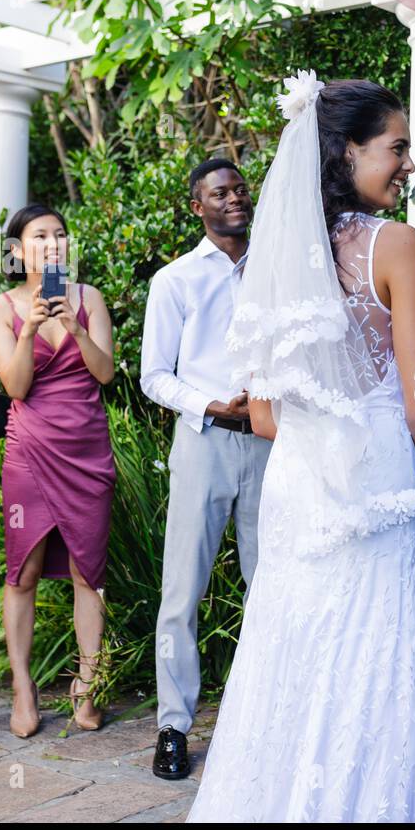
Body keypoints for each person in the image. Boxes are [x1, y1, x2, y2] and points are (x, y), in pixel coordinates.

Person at [186, 73, 415, 822]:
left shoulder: (274, 260)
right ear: (347, 150)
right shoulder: (396, 244)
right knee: (375, 653)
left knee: (290, 647)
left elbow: (266, 415)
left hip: (298, 481)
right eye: (396, 148)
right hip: (375, 479)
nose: (406, 164)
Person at [142, 158, 272, 780]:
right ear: (198, 206)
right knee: (180, 592)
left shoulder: (277, 269)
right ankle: (173, 726)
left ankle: (267, 721)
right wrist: (211, 406)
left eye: (240, 188)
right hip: (204, 441)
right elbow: (153, 375)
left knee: (270, 585)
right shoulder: (175, 281)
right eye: (220, 192)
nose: (235, 198)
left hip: (273, 443)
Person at [0, 204, 117, 738]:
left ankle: (90, 681)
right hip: (31, 452)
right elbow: (15, 387)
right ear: (17, 251)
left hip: (86, 451)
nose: (54, 243)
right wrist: (28, 330)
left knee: (89, 572)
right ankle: (23, 686)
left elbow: (104, 374)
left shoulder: (90, 299)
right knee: (25, 571)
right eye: (40, 236)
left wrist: (73, 329)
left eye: (60, 235)